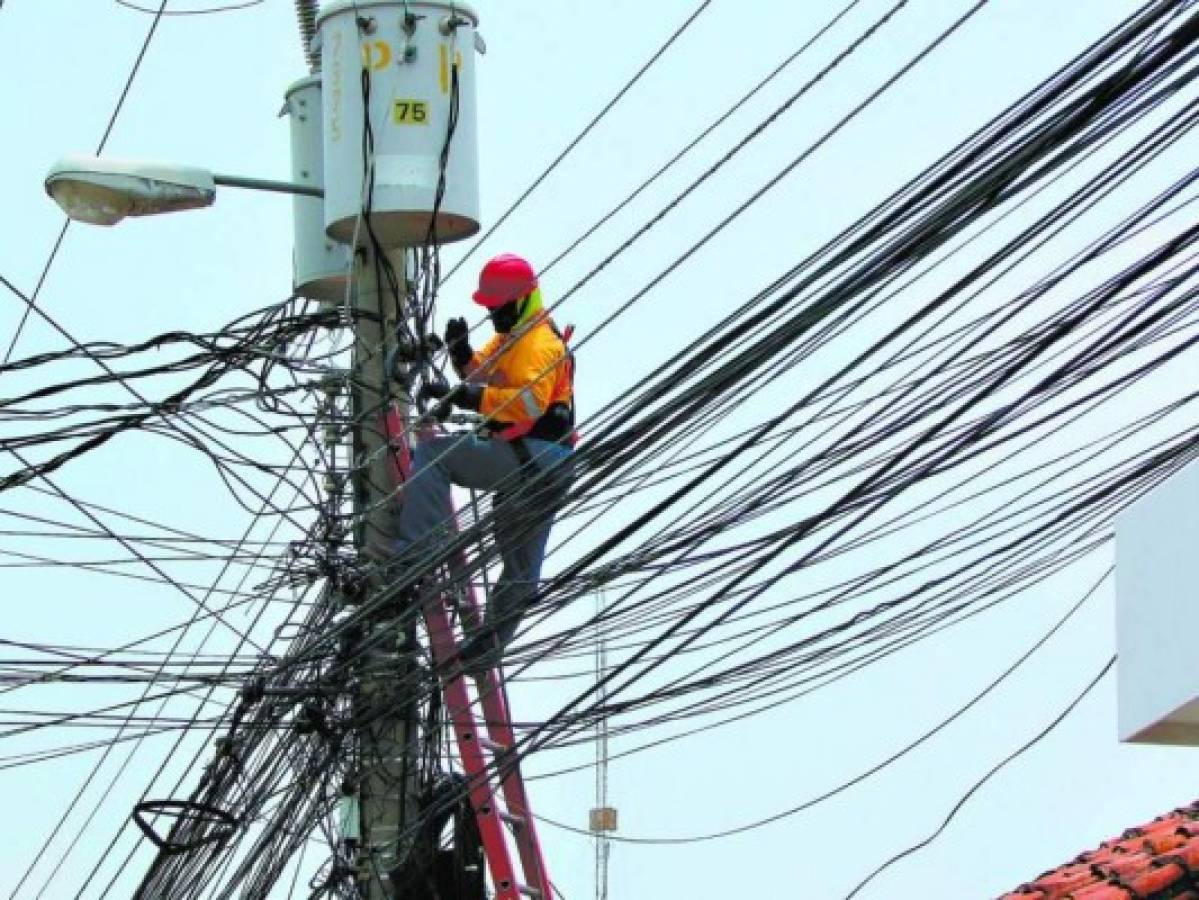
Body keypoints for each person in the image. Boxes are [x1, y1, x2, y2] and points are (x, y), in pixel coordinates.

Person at [384, 253, 576, 669]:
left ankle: (413, 552)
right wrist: (460, 353)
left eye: (497, 308)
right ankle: (485, 653)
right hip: (542, 466)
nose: (492, 316)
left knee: (435, 455)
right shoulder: (515, 336)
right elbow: (479, 375)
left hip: (533, 457)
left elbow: (526, 403)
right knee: (520, 564)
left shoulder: (540, 343)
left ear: (523, 300)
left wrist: (469, 399)